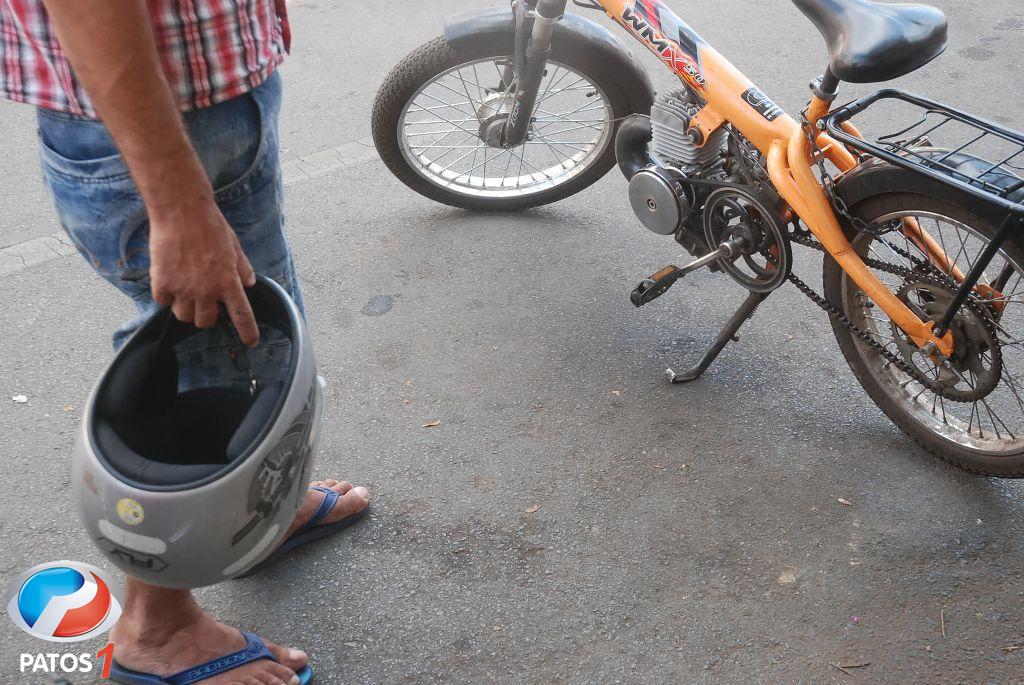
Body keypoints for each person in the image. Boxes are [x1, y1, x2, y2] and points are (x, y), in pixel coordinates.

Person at [0, 0, 370, 682]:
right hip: (159, 131)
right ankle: (158, 630)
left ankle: (255, 512)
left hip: (199, 111)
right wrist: (176, 202)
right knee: (207, 368)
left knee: (256, 349)